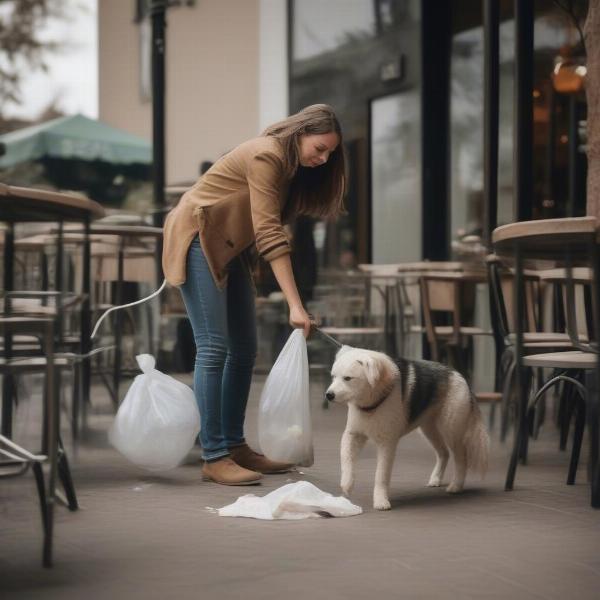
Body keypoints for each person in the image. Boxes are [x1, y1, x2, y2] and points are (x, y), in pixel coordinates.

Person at [162, 104, 346, 485]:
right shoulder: (268, 154)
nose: (323, 158)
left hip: (228, 247)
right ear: (301, 132)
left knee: (245, 350)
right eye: (320, 148)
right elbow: (268, 234)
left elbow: (262, 229)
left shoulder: (289, 167)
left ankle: (235, 446)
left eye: (330, 153)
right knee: (214, 347)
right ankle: (214, 456)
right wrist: (296, 304)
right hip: (198, 238)